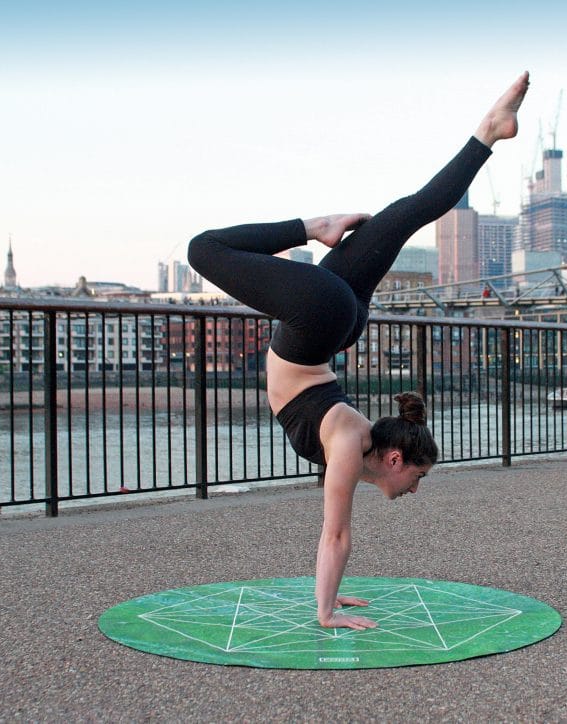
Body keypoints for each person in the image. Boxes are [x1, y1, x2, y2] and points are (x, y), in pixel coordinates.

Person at [187, 72, 530, 630]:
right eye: (417, 478)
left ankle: (490, 131)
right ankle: (311, 225)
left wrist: (334, 592)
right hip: (316, 320)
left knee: (409, 211)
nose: (415, 489)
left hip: (335, 324)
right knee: (203, 249)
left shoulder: (351, 437)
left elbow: (335, 537)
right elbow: (337, 533)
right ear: (395, 460)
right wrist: (326, 615)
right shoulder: (349, 440)